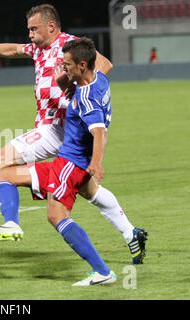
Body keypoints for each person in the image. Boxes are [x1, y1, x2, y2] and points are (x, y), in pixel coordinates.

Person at [0, 4, 147, 264]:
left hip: (58, 127)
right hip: (64, 132)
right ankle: (132, 233)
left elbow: (104, 64)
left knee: (0, 160)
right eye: (28, 29)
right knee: (88, 189)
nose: (29, 34)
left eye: (33, 29)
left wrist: (79, 91)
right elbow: (12, 49)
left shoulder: (70, 44)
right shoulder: (38, 49)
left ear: (51, 27)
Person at [46, 37, 116, 285]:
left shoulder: (86, 97)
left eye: (67, 65)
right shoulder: (99, 79)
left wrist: (97, 163)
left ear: (83, 65)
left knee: (56, 215)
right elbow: (105, 65)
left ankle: (102, 271)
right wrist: (64, 79)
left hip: (71, 161)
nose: (64, 68)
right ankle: (128, 234)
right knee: (13, 177)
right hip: (75, 160)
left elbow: (99, 131)